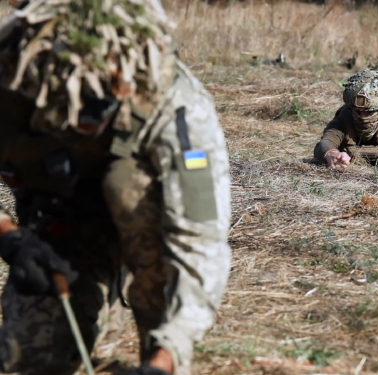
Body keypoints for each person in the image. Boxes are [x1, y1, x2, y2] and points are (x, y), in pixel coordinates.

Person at [0, 1, 231, 375]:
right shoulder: (14, 69)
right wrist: (10, 237)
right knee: (28, 357)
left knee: (129, 190)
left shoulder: (178, 107)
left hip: (144, 222)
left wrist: (164, 359)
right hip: (59, 212)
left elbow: (200, 245)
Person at [313, 69, 378, 173]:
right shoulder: (346, 113)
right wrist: (332, 154)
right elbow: (325, 143)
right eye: (357, 111)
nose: (362, 116)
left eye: (369, 112)